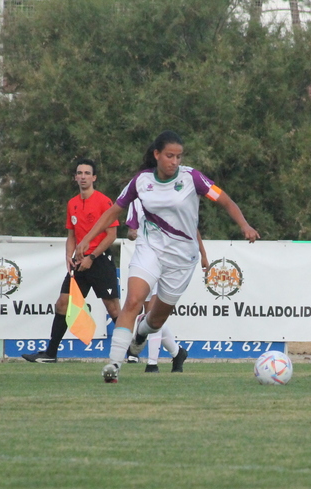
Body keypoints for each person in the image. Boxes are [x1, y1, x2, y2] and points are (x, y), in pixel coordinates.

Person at [75, 130, 260, 383]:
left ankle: (140, 335)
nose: (175, 162)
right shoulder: (140, 181)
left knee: (157, 318)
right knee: (133, 301)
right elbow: (112, 212)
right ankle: (113, 366)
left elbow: (224, 200)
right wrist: (86, 239)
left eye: (179, 157)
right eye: (170, 156)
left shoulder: (192, 178)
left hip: (182, 259)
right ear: (157, 155)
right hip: (150, 248)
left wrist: (244, 225)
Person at [22, 158, 121, 363]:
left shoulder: (104, 201)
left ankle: (128, 353)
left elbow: (111, 235)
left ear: (94, 177)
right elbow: (71, 236)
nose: (83, 177)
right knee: (63, 304)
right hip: (79, 263)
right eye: (79, 173)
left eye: (87, 173)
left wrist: (92, 257)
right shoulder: (72, 203)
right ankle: (51, 353)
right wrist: (69, 256)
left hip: (100, 260)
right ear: (75, 177)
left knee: (113, 309)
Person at [125, 203, 210, 373]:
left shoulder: (172, 196)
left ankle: (152, 364)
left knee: (152, 314)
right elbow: (130, 232)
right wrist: (132, 234)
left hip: (167, 262)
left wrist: (203, 254)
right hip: (145, 261)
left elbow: (191, 228)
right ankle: (177, 353)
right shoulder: (136, 197)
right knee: (151, 319)